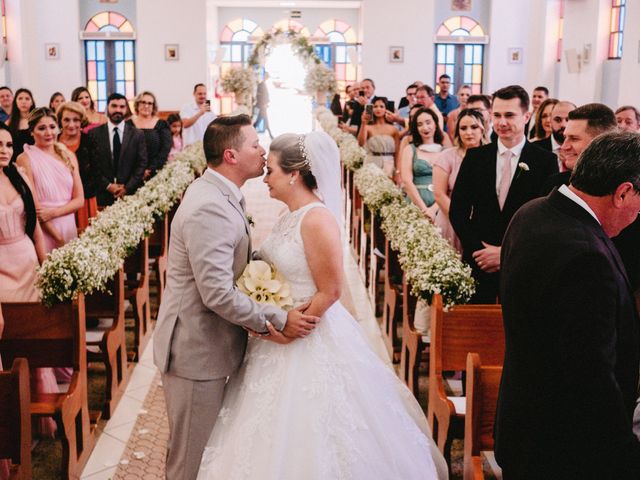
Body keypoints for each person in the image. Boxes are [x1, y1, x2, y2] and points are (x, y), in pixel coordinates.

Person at [196, 130, 448, 480]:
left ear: (294, 174)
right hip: (280, 331)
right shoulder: (288, 216)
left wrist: (291, 329)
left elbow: (330, 290)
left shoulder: (317, 218)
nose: (265, 179)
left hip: (308, 334)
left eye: (271, 171)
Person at [153, 115, 320, 480]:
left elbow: (233, 264)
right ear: (231, 155)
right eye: (255, 144)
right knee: (189, 462)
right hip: (195, 352)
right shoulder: (209, 206)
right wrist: (278, 318)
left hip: (208, 345)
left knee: (208, 453)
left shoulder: (220, 193)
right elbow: (216, 293)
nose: (263, 151)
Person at [496, 131, 640, 479]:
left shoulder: (532, 212)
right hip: (565, 449)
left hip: (524, 422)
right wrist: (624, 454)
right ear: (622, 192)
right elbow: (590, 375)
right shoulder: (586, 256)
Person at [449, 85, 557, 304]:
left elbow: (547, 219)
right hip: (480, 260)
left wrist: (506, 253)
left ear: (526, 116)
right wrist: (479, 251)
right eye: (496, 115)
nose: (502, 122)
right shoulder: (476, 157)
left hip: (523, 261)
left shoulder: (545, 161)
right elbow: (458, 211)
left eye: (509, 115)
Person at [0, 123, 58, 438]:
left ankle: (41, 414)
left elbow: (33, 225)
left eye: (8, 145)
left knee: (35, 334)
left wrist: (44, 264)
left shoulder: (18, 177)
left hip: (26, 262)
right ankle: (13, 415)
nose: (4, 150)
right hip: (1, 269)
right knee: (9, 334)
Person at [16, 107, 83, 253]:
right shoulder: (25, 158)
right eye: (42, 128)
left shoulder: (69, 155)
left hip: (68, 225)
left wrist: (53, 213)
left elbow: (79, 200)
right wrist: (58, 238)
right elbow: (35, 208)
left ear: (58, 128)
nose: (48, 133)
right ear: (31, 132)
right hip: (44, 229)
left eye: (52, 127)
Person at [433, 108, 487, 253]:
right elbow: (439, 194)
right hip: (451, 220)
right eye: (463, 128)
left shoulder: (491, 156)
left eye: (474, 127)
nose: (469, 132)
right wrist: (461, 221)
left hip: (483, 222)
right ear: (458, 132)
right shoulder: (447, 156)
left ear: (483, 129)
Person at [540, 103, 617, 195]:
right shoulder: (555, 185)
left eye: (574, 139)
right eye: (565, 138)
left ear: (601, 141)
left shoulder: (628, 185)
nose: (564, 146)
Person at [89, 93, 148, 207]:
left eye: (122, 107)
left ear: (126, 109)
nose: (118, 110)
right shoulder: (94, 134)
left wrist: (127, 188)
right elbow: (92, 165)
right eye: (114, 106)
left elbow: (141, 164)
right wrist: (108, 186)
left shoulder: (137, 134)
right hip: (102, 194)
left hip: (130, 195)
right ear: (107, 108)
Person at [57, 101, 100, 231]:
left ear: (82, 121)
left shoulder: (90, 141)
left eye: (76, 120)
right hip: (59, 201)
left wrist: (78, 197)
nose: (71, 124)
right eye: (66, 120)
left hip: (85, 200)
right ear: (60, 121)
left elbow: (96, 173)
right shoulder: (53, 141)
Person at [400, 107, 444, 221]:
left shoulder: (445, 152)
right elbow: (407, 181)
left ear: (435, 123)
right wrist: (424, 210)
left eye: (428, 122)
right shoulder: (410, 149)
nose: (425, 127)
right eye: (419, 124)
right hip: (416, 204)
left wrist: (433, 210)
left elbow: (449, 186)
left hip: (440, 205)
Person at [131, 91, 171, 179]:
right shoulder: (128, 124)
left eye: (150, 103)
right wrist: (138, 171)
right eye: (143, 102)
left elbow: (165, 149)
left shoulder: (162, 124)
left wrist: (150, 169)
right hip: (131, 173)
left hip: (155, 173)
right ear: (137, 104)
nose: (146, 106)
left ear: (154, 107)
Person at [358, 96, 400, 177]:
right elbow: (360, 143)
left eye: (381, 106)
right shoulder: (368, 127)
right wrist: (363, 123)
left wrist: (397, 171)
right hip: (371, 163)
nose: (378, 109)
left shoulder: (393, 129)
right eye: (375, 106)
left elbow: (397, 152)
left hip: (389, 164)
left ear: (386, 109)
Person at [533, 100, 576, 170]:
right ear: (551, 122)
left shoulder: (583, 151)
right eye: (558, 120)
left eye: (568, 120)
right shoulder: (535, 149)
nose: (563, 125)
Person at [6, 88, 35, 162]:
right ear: (15, 102)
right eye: (20, 99)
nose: (23, 102)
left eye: (27, 99)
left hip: (33, 160)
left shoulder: (37, 121)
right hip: (14, 161)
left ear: (32, 102)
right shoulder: (8, 123)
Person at [253, 73, 273, 139]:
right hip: (261, 106)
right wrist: (264, 103)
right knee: (262, 120)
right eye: (266, 76)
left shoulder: (263, 84)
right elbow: (259, 95)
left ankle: (270, 135)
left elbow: (265, 95)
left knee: (261, 120)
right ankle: (271, 135)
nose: (267, 78)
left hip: (263, 106)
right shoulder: (261, 84)